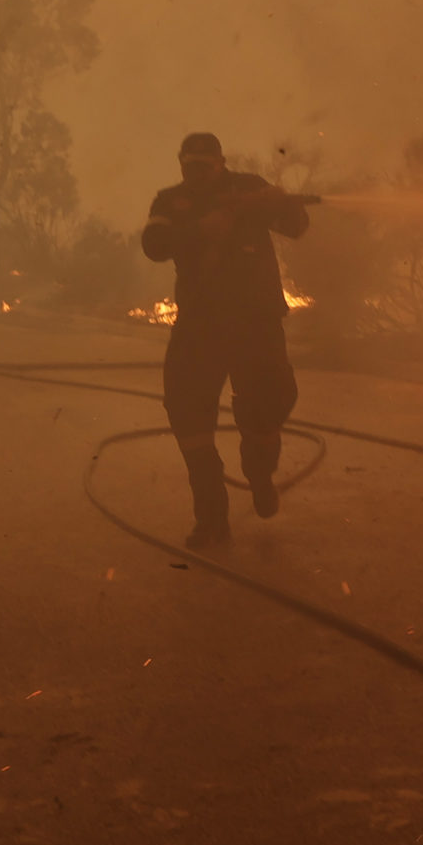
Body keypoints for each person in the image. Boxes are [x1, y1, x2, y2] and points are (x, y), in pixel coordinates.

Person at [139, 132, 311, 549]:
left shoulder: (249, 189)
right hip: (201, 325)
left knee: (266, 408)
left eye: (204, 165)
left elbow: (297, 226)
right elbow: (154, 244)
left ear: (221, 163)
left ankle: (259, 475)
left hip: (256, 323)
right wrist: (201, 229)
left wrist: (280, 202)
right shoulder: (170, 201)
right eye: (189, 166)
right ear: (181, 165)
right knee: (186, 412)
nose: (196, 173)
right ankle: (212, 520)